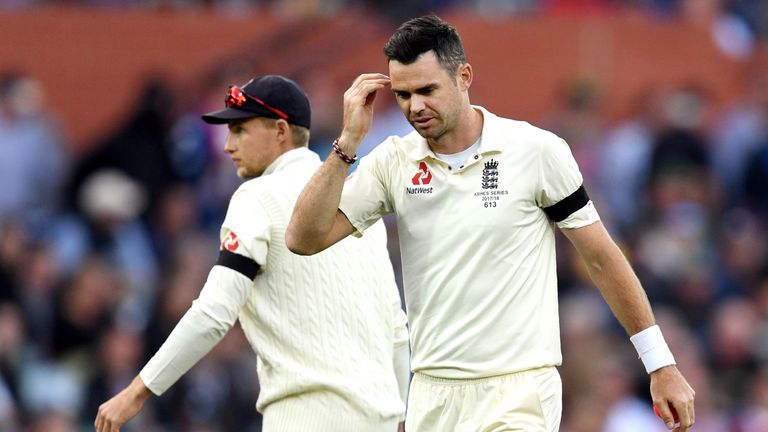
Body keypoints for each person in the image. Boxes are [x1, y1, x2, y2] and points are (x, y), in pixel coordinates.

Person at [286, 15, 696, 432]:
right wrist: (347, 143)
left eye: (428, 90)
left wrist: (659, 363)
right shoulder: (393, 161)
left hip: (518, 391)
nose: (415, 106)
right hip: (432, 392)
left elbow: (602, 259)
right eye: (404, 94)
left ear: (464, 76)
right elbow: (303, 238)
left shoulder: (536, 151)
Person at [94, 75, 410, 432]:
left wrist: (136, 392)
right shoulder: (357, 201)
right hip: (380, 418)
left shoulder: (257, 196)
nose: (228, 145)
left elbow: (214, 313)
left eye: (240, 130)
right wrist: (399, 419)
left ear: (279, 131)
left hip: (305, 418)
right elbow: (396, 329)